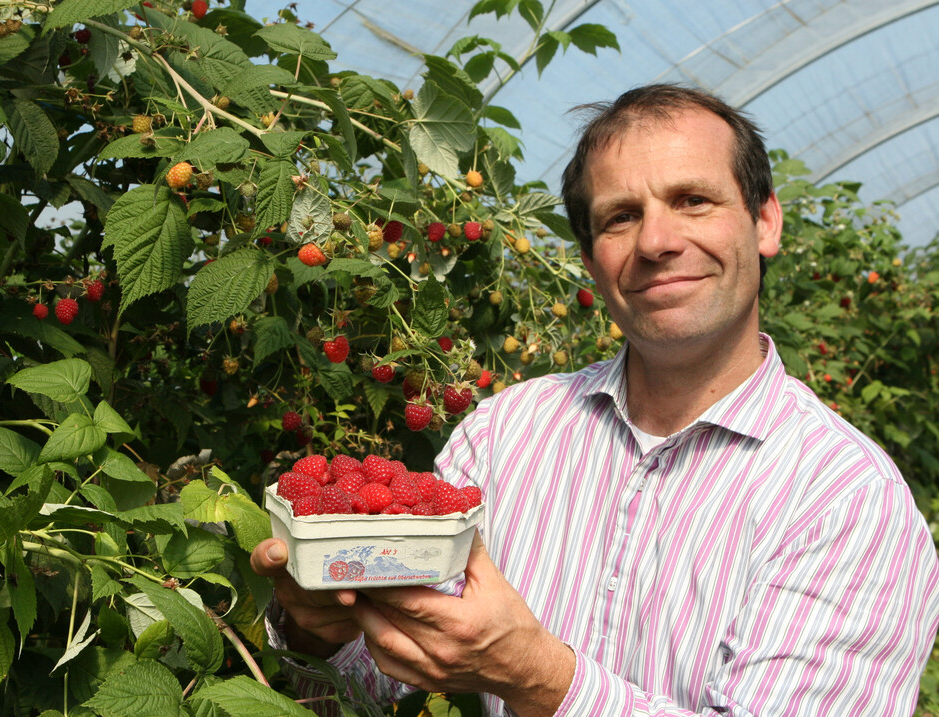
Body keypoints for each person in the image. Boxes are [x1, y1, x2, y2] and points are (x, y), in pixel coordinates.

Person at [251, 84, 939, 716]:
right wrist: (316, 630)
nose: (658, 241)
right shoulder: (503, 436)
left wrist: (540, 677)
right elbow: (378, 689)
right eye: (619, 217)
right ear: (589, 260)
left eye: (693, 200)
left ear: (765, 223)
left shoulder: (845, 500)